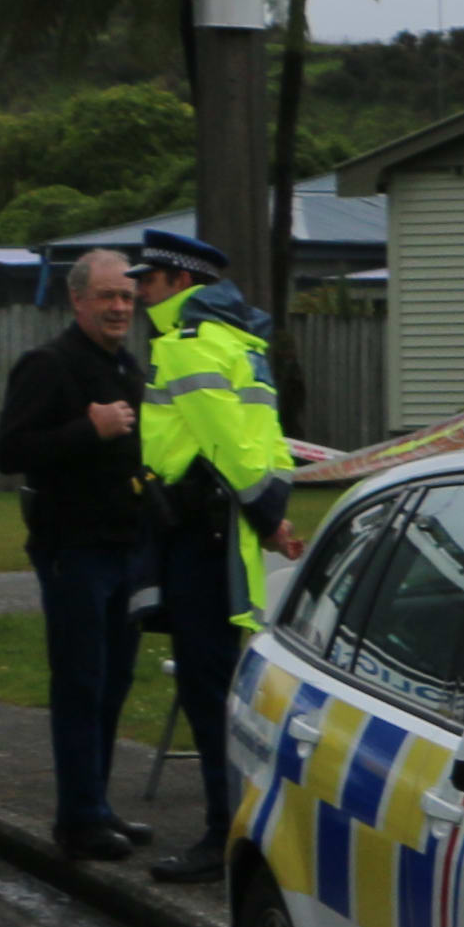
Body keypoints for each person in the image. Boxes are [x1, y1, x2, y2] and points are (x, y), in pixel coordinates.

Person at [129, 227, 302, 885]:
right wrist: (273, 512)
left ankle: (220, 833)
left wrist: (260, 508)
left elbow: (226, 443)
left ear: (180, 283)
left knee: (208, 696)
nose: (140, 290)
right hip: (227, 538)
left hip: (199, 542)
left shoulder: (187, 347)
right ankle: (238, 823)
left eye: (149, 280)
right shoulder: (244, 344)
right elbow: (272, 443)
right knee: (227, 687)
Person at [0, 248, 159, 861]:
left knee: (113, 683)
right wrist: (86, 430)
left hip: (124, 550)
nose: (120, 307)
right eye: (108, 296)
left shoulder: (127, 368)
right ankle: (78, 818)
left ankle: (99, 805)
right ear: (78, 300)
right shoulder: (49, 365)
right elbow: (9, 450)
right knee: (81, 682)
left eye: (127, 297)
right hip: (75, 551)